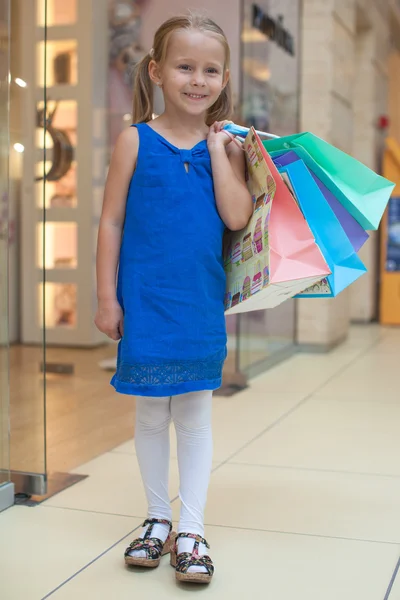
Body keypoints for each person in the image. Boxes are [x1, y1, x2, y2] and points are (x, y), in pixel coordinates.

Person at [95, 12, 252, 585]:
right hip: (144, 296)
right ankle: (157, 518)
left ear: (224, 78)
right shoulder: (133, 139)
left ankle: (191, 527)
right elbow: (110, 222)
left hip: (197, 299)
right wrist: (106, 296)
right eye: (185, 66)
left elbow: (236, 215)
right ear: (158, 71)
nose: (197, 79)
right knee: (150, 412)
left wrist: (218, 153)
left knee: (194, 413)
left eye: (210, 70)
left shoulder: (228, 147)